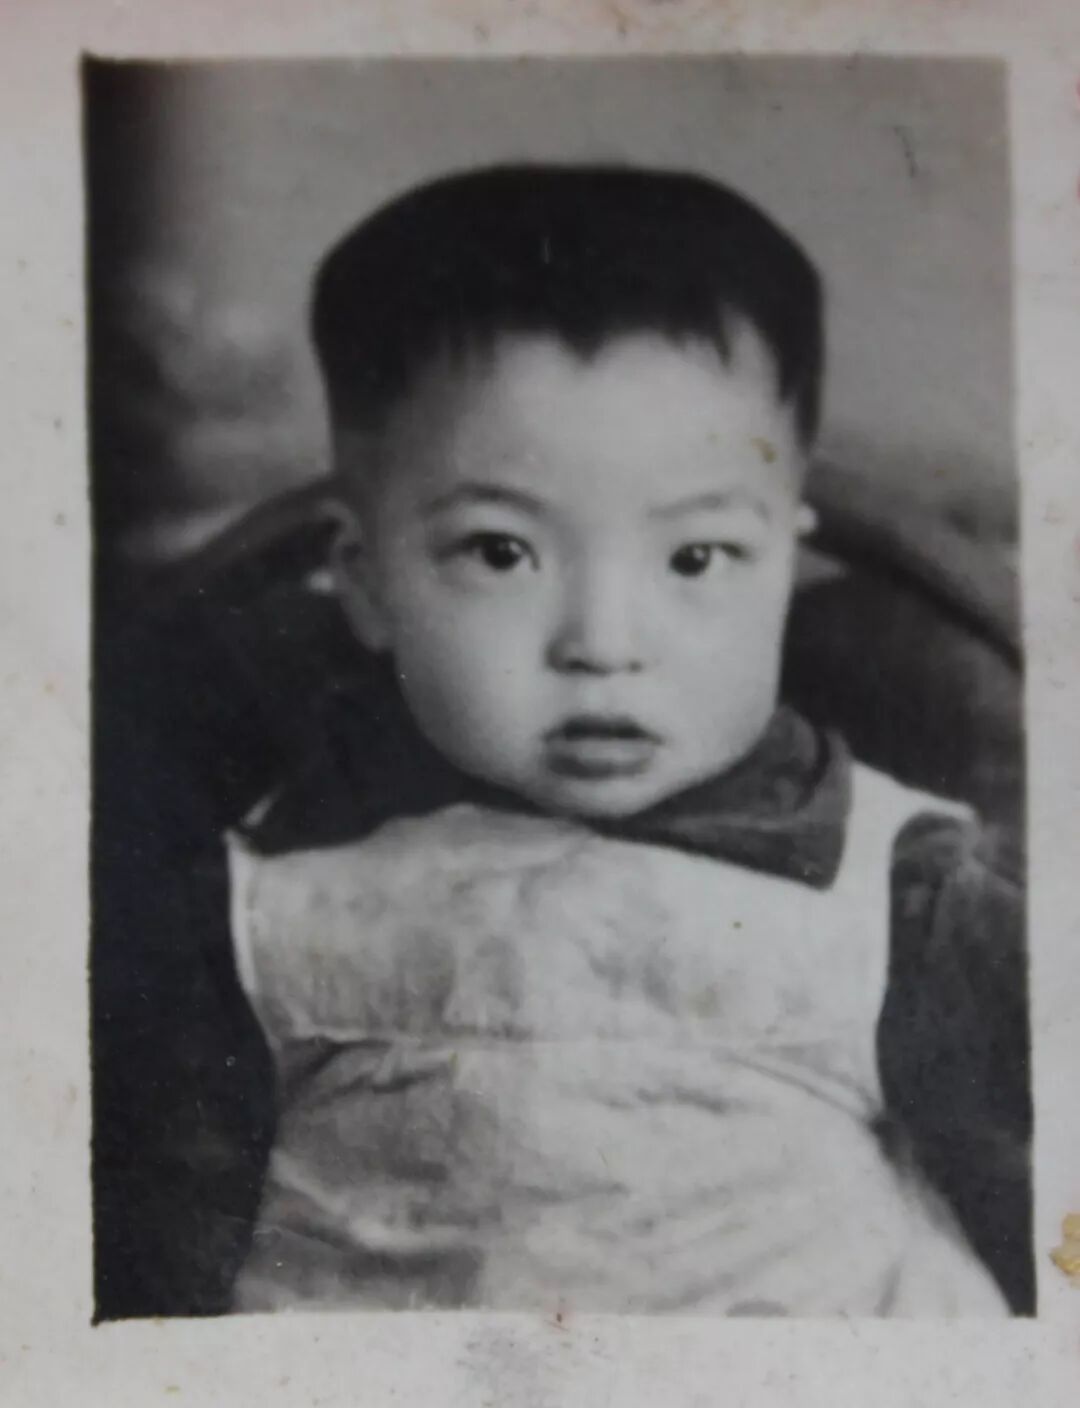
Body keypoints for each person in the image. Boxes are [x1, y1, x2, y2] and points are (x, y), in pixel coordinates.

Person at [95, 164, 1032, 1319]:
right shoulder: (256, 897)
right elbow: (150, 1266)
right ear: (366, 579)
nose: (602, 642)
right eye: (501, 552)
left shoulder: (904, 891)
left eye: (695, 558)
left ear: (786, 567)